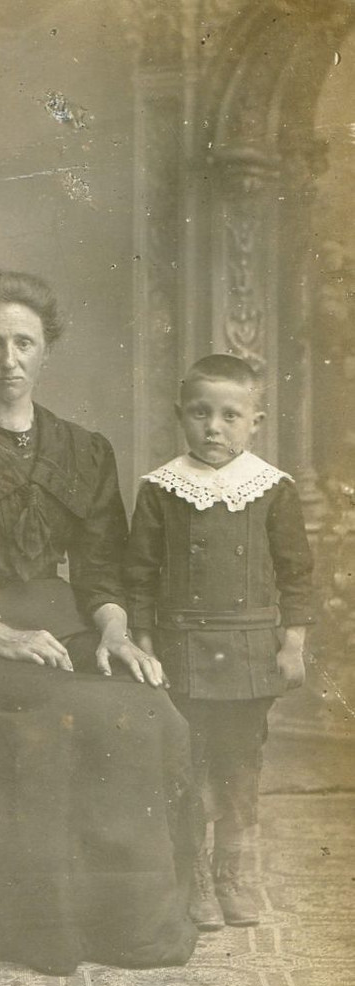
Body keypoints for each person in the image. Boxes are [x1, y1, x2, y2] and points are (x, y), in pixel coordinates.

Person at [0, 269, 198, 976]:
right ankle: (49, 929)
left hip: (60, 626)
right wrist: (3, 635)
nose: (9, 358)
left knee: (144, 707)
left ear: (46, 350)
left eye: (23, 341)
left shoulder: (84, 448)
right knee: (71, 715)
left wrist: (116, 634)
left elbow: (100, 569)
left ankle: (130, 922)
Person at [125, 354, 314, 931]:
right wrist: (144, 643)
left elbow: (296, 573)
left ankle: (231, 875)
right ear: (180, 414)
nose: (214, 427)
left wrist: (293, 646)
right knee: (188, 764)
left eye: (230, 415)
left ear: (255, 421)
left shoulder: (272, 489)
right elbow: (139, 576)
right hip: (183, 651)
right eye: (201, 412)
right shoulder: (161, 490)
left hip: (252, 651)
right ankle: (198, 880)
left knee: (239, 768)